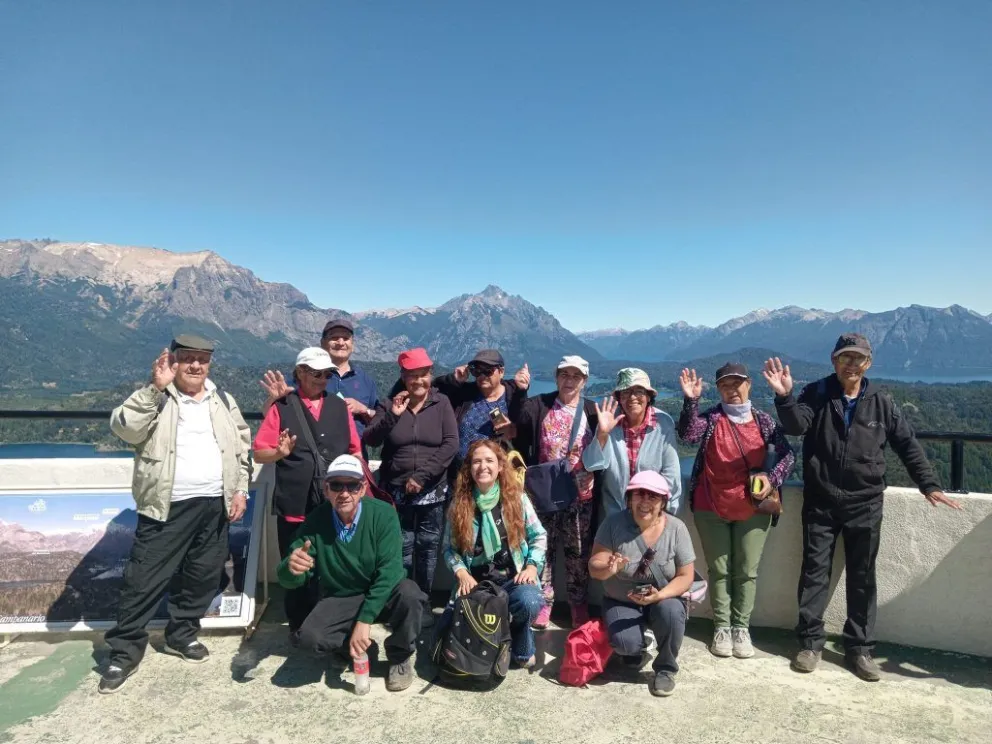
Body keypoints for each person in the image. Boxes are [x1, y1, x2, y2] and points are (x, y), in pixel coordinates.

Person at [764, 334, 961, 682]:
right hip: (821, 502)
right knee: (813, 574)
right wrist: (784, 397)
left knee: (862, 579)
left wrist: (928, 484)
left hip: (866, 503)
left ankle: (860, 649)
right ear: (834, 360)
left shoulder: (881, 402)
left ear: (868, 363)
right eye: (845, 358)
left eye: (858, 359)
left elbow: (907, 444)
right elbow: (796, 425)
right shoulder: (817, 393)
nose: (851, 364)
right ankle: (810, 644)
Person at [99, 335, 252, 694]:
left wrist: (240, 489)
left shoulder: (223, 400)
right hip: (165, 506)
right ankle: (123, 653)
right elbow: (124, 428)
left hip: (214, 504)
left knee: (202, 577)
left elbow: (241, 445)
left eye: (203, 359)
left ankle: (181, 636)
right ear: (173, 361)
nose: (196, 366)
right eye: (188, 359)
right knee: (144, 581)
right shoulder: (157, 398)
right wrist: (154, 388)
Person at [278, 454, 425, 692]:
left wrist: (365, 620)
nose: (344, 493)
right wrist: (290, 568)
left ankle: (399, 655)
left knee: (411, 595)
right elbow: (291, 576)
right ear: (326, 490)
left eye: (352, 485)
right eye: (336, 485)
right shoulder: (316, 520)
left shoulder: (383, 514)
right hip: (341, 596)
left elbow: (390, 572)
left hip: (380, 592)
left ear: (363, 488)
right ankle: (348, 646)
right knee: (308, 641)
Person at [677, 363, 795, 659]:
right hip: (710, 505)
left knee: (746, 571)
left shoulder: (764, 422)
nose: (732, 390)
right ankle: (722, 627)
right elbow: (687, 435)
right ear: (718, 389)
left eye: (737, 383)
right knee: (719, 570)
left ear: (749, 385)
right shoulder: (712, 419)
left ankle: (741, 628)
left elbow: (788, 455)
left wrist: (772, 479)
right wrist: (691, 401)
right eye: (725, 385)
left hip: (754, 507)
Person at [253, 347, 362, 643]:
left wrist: (360, 487)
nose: (322, 379)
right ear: (299, 372)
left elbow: (354, 449)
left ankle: (330, 623)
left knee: (334, 567)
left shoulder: (339, 407)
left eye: (327, 374)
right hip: (295, 504)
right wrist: (279, 452)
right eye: (316, 373)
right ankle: (298, 626)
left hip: (334, 504)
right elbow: (259, 452)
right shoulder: (282, 406)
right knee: (295, 566)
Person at [363, 348, 458, 620]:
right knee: (401, 547)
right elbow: (370, 439)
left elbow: (451, 443)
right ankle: (402, 604)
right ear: (403, 377)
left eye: (424, 375)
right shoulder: (388, 404)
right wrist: (393, 415)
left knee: (427, 548)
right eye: (412, 376)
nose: (419, 381)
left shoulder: (442, 404)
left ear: (431, 375)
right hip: (396, 490)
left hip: (432, 491)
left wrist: (422, 476)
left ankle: (424, 603)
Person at [441, 439, 547, 668]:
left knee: (529, 602)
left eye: (489, 460)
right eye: (476, 462)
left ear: (500, 466)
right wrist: (461, 572)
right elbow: (449, 549)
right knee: (446, 638)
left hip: (512, 578)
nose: (483, 466)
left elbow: (539, 535)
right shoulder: (460, 504)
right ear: (469, 468)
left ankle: (520, 640)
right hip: (476, 582)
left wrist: (531, 566)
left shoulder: (516, 499)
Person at [588, 471, 695, 698]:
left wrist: (659, 596)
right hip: (621, 599)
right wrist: (609, 568)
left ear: (663, 502)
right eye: (639, 495)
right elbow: (594, 566)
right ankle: (634, 646)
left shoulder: (676, 528)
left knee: (672, 611)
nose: (645, 502)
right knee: (626, 646)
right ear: (629, 498)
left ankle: (666, 669)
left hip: (661, 598)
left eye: (653, 497)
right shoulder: (613, 523)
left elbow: (686, 576)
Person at [513, 355, 599, 629]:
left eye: (576, 376)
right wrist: (521, 390)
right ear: (556, 377)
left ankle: (578, 605)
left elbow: (603, 451)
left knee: (578, 552)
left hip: (579, 494)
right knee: (543, 549)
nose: (569, 380)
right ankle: (543, 602)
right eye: (564, 374)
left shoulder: (593, 412)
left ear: (584, 381)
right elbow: (518, 420)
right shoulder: (541, 405)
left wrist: (596, 473)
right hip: (545, 492)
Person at [260, 317, 379, 458]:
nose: (341, 343)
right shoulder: (299, 378)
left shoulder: (366, 381)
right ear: (323, 343)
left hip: (353, 458)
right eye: (334, 338)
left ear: (352, 344)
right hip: (310, 458)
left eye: (346, 338)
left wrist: (365, 410)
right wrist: (273, 399)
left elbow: (380, 421)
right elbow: (269, 415)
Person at [582, 368, 683, 519]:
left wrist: (658, 512)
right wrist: (602, 433)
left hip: (653, 515)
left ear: (649, 396)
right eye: (625, 392)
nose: (632, 397)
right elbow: (591, 465)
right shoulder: (609, 421)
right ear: (619, 398)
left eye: (639, 391)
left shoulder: (663, 423)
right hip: (615, 515)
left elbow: (671, 476)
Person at [433, 349, 531, 465]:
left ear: (501, 372)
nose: (482, 376)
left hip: (499, 471)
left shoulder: (514, 396)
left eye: (488, 371)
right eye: (477, 371)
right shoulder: (465, 393)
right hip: (462, 470)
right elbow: (434, 390)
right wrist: (453, 380)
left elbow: (528, 427)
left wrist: (515, 430)